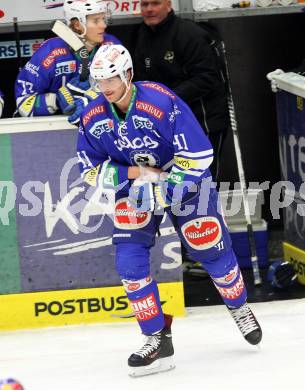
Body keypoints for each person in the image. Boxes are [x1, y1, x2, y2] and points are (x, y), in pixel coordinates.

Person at [77, 44, 262, 377]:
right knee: (129, 260)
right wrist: (137, 176)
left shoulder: (160, 101)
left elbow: (200, 154)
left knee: (208, 247)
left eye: (111, 80)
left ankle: (239, 306)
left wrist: (164, 187)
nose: (105, 88)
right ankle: (156, 337)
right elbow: (89, 170)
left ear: (128, 74)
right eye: (99, 81)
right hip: (135, 186)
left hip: (183, 178)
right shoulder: (93, 117)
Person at [133, 0, 229, 181]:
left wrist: (166, 99)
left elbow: (207, 77)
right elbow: (140, 80)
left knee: (202, 184)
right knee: (174, 185)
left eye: (155, 3)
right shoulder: (142, 35)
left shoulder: (189, 34)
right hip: (167, 125)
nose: (150, 9)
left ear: (169, 5)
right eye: (145, 4)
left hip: (203, 121)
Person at [14, 0, 121, 125]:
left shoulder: (112, 46)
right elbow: (24, 104)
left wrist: (99, 96)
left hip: (100, 127)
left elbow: (127, 89)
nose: (103, 25)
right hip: (51, 132)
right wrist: (56, 101)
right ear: (77, 25)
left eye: (104, 19)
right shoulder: (50, 52)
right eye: (96, 21)